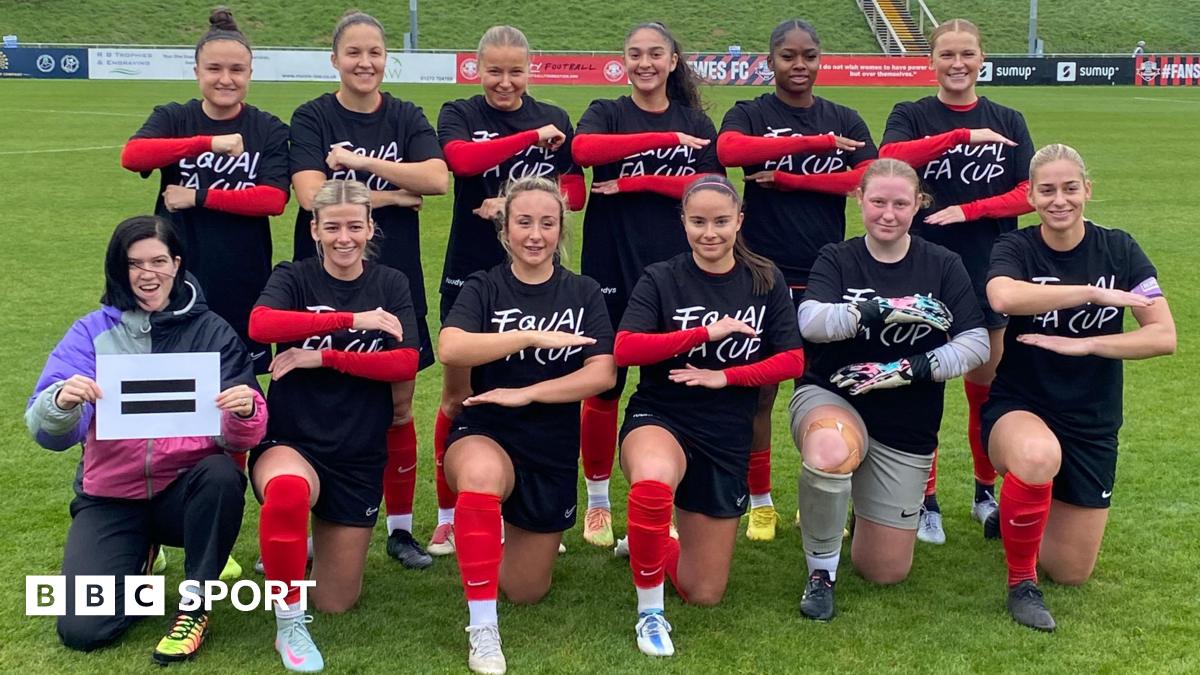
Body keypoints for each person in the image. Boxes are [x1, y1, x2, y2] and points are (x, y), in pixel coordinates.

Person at [25, 215, 265, 663]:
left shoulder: (213, 331)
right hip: (112, 497)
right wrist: (60, 403)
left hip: (186, 492)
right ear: (120, 268)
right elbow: (46, 431)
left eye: (158, 261)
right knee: (83, 629)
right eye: (135, 263)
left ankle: (197, 603)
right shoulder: (91, 331)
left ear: (177, 263)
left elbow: (242, 433)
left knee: (219, 475)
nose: (147, 274)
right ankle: (138, 562)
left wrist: (246, 411)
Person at [981, 144, 1174, 632]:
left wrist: (1087, 345)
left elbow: (1162, 335)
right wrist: (1090, 293)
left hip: (1091, 418)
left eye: (1070, 188)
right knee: (1037, 456)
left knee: (1071, 572)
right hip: (1021, 406)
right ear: (1030, 195)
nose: (1059, 200)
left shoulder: (1119, 248)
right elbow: (1003, 295)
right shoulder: (1016, 247)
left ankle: (1017, 514)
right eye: (1047, 190)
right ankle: (1021, 583)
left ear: (1088, 190)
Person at [788, 159, 988, 621]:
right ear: (860, 200)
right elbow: (811, 322)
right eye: (877, 202)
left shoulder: (942, 264)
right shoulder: (837, 258)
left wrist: (908, 368)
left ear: (918, 205)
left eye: (901, 203)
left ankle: (862, 508)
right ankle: (821, 574)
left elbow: (975, 342)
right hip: (835, 393)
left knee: (885, 570)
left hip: (907, 417)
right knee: (830, 451)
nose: (888, 214)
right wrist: (881, 311)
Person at [615, 175, 805, 656]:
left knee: (705, 593)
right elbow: (626, 347)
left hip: (726, 432)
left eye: (721, 221)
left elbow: (792, 359)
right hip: (662, 415)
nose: (710, 233)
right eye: (698, 221)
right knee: (654, 479)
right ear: (683, 222)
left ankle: (647, 544)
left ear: (739, 220)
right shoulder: (661, 277)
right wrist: (702, 334)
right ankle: (650, 614)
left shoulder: (765, 278)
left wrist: (727, 377)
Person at [288, 10, 448, 569]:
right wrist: (391, 196)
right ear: (335, 59)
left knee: (398, 406)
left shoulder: (404, 115)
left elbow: (437, 178)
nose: (365, 63)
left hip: (393, 280)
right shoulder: (311, 117)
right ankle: (310, 531)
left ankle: (400, 531)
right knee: (311, 404)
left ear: (386, 58)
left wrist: (354, 165)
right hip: (320, 279)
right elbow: (312, 197)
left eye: (374, 53)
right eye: (353, 53)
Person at [438, 176, 615, 674]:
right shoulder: (484, 285)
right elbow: (451, 346)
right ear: (505, 230)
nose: (535, 234)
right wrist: (526, 336)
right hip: (485, 430)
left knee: (526, 590)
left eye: (547, 223)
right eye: (523, 223)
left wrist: (529, 391)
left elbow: (602, 373)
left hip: (550, 445)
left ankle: (498, 530)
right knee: (479, 478)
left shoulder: (583, 291)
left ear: (561, 230)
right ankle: (482, 627)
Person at [247, 179, 420, 671]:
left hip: (357, 449)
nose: (344, 238)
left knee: (337, 600)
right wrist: (350, 321)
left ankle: (300, 547)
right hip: (293, 439)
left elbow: (405, 362)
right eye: (333, 227)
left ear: (370, 228)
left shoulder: (391, 283)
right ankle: (289, 625)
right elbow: (261, 325)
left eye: (354, 226)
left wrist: (323, 357)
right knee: (286, 492)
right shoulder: (294, 277)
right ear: (315, 229)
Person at [429, 25, 587, 556]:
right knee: (459, 395)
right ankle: (450, 513)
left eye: (515, 70)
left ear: (530, 69)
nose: (504, 81)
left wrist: (529, 208)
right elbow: (463, 163)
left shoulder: (556, 119)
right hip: (472, 275)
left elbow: (574, 193)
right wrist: (527, 142)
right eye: (493, 70)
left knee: (533, 386)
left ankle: (529, 511)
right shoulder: (460, 112)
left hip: (540, 282)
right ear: (477, 70)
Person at [718, 18, 877, 541]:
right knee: (760, 393)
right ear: (770, 62)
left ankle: (825, 493)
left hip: (828, 272)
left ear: (820, 58)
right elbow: (730, 152)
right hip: (760, 273)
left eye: (809, 55)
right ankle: (760, 499)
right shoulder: (751, 112)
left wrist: (790, 174)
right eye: (789, 56)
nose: (800, 66)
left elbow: (867, 180)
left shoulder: (845, 116)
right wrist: (821, 144)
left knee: (831, 391)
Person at [881, 18, 1036, 544]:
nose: (957, 64)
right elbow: (891, 161)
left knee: (984, 389)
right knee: (923, 386)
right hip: (919, 269)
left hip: (990, 269)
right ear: (932, 61)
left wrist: (969, 211)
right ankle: (924, 500)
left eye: (966, 54)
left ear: (981, 58)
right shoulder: (911, 114)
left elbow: (1028, 192)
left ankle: (983, 491)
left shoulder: (1008, 118)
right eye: (946, 54)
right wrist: (960, 136)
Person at [572, 21, 722, 547]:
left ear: (672, 61)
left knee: (676, 381)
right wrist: (664, 141)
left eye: (655, 54)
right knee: (605, 380)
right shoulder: (606, 111)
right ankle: (597, 503)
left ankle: (669, 498)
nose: (645, 63)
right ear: (624, 61)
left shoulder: (697, 121)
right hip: (610, 268)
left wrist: (640, 181)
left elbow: (711, 189)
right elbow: (586, 151)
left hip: (677, 273)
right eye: (635, 54)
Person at [120, 6, 289, 378]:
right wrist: (207, 143)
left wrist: (198, 196)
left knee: (240, 387)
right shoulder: (174, 117)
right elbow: (133, 156)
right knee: (174, 382)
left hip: (243, 274)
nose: (225, 79)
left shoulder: (269, 129)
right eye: (214, 69)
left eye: (236, 70)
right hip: (175, 277)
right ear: (197, 71)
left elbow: (273, 200)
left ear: (250, 73)